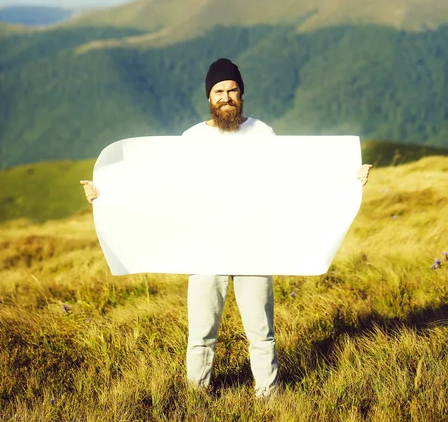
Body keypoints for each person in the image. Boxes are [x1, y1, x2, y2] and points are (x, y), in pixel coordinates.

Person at [80, 57, 372, 398]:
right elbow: (159, 183)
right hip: (204, 249)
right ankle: (197, 395)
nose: (226, 96)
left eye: (232, 90)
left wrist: (347, 177)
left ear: (242, 94)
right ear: (209, 97)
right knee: (202, 332)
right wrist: (105, 193)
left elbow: (294, 175)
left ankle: (269, 395)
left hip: (255, 249)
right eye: (219, 90)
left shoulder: (262, 134)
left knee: (261, 331)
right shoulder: (191, 139)